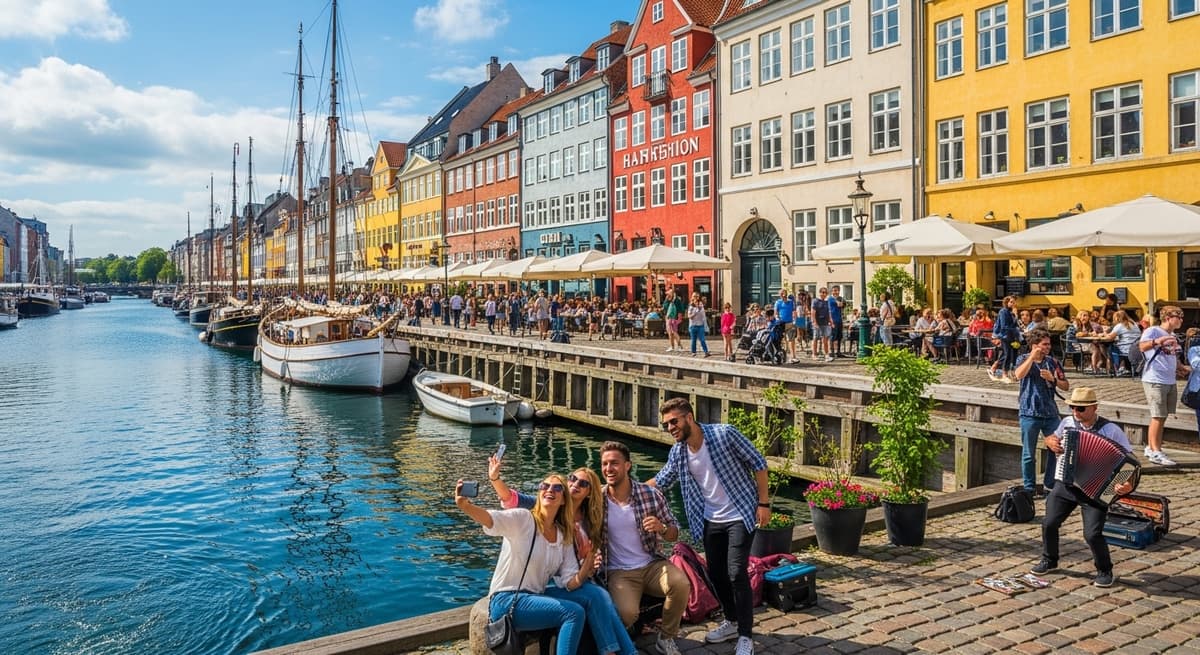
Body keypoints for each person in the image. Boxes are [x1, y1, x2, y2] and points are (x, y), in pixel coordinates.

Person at [650, 398, 768, 655]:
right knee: (716, 574)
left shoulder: (724, 434)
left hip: (741, 512)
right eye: (667, 424)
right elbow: (662, 480)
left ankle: (746, 636)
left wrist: (764, 503)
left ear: (689, 418)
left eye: (674, 421)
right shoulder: (679, 452)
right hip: (710, 518)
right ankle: (732, 620)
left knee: (736, 572)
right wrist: (620, 491)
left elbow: (758, 463)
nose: (670, 428)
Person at [487, 462, 638, 655]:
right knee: (589, 601)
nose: (574, 484)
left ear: (589, 493)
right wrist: (494, 478)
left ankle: (619, 652)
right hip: (545, 586)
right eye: (572, 479)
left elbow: (585, 563)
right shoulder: (548, 504)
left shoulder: (589, 520)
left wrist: (590, 561)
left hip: (573, 580)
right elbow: (510, 498)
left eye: (583, 484)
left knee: (599, 595)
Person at [454, 474, 588, 655]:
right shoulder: (524, 518)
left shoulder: (562, 535)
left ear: (564, 499)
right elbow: (491, 519)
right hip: (507, 599)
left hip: (535, 598)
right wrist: (465, 506)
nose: (549, 490)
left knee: (590, 598)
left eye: (557, 488)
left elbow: (570, 580)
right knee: (573, 613)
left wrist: (589, 560)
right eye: (544, 486)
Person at [1032, 387, 1136, 588]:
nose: (1075, 413)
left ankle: (1105, 570)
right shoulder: (1067, 423)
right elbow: (1050, 439)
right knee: (1049, 522)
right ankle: (1049, 559)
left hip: (1096, 492)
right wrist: (1050, 442)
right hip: (1067, 484)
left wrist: (1126, 484)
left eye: (1080, 409)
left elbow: (1130, 462)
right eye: (1072, 408)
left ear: (1094, 408)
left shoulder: (1111, 430)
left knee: (1091, 534)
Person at [599, 441, 690, 655]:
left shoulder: (650, 494)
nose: (608, 469)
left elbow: (674, 532)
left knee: (680, 583)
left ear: (628, 465)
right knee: (627, 613)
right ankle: (622, 638)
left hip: (651, 564)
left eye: (614, 463)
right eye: (604, 464)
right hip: (619, 571)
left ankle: (666, 637)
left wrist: (662, 527)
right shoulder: (597, 499)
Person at [1013, 329, 1070, 495]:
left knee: (1057, 448)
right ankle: (1029, 488)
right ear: (1034, 345)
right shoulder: (1022, 359)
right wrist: (1032, 357)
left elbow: (1066, 386)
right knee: (1028, 454)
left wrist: (1052, 379)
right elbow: (1018, 375)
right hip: (1029, 412)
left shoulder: (1052, 362)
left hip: (1050, 412)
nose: (1048, 347)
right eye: (1044, 344)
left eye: (1049, 344)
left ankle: (1050, 484)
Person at [1139, 305, 1187, 466]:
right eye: (1178, 316)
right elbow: (1142, 346)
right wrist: (1157, 341)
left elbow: (1173, 356)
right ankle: (1155, 451)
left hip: (1169, 379)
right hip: (1154, 378)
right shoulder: (1153, 331)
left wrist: (1182, 368)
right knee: (1157, 416)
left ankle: (1151, 446)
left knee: (1163, 416)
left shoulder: (1173, 335)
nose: (1181, 320)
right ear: (1168, 317)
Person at [990, 295, 1020, 383]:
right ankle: (1004, 373)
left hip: (1011, 335)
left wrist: (1016, 315)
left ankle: (995, 367)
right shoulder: (1003, 312)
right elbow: (1004, 326)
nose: (1013, 304)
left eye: (1014, 302)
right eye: (1011, 302)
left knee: (1009, 353)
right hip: (1004, 335)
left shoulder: (1011, 312)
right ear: (1006, 302)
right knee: (1007, 354)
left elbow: (1015, 324)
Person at [811, 288, 833, 362]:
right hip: (818, 322)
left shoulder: (826, 302)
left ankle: (826, 354)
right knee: (816, 338)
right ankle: (814, 354)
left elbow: (828, 312)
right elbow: (813, 313)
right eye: (822, 292)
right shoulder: (815, 301)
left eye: (825, 293)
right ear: (820, 293)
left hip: (825, 322)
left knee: (825, 339)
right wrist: (815, 322)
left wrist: (831, 321)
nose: (824, 294)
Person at [773, 289, 796, 359]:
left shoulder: (791, 302)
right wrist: (777, 318)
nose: (783, 295)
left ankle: (793, 355)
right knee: (781, 339)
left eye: (784, 294)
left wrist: (794, 320)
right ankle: (783, 353)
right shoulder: (778, 302)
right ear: (780, 295)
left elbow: (794, 312)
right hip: (781, 324)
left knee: (791, 339)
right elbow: (776, 313)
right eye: (782, 294)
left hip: (790, 323)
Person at [663, 289, 685, 353]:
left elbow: (680, 309)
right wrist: (666, 300)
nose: (667, 295)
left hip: (674, 318)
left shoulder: (677, 300)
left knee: (674, 332)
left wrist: (679, 318)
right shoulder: (667, 300)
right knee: (670, 333)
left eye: (669, 293)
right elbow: (664, 307)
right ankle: (672, 346)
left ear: (673, 293)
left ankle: (680, 346)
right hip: (668, 318)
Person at [828, 285, 846, 357]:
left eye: (837, 290)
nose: (836, 292)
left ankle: (838, 352)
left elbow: (843, 305)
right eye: (834, 290)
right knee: (832, 336)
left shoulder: (840, 298)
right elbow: (839, 304)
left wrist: (842, 303)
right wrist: (840, 303)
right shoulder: (830, 299)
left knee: (839, 336)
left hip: (839, 319)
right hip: (832, 319)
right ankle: (831, 351)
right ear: (832, 291)